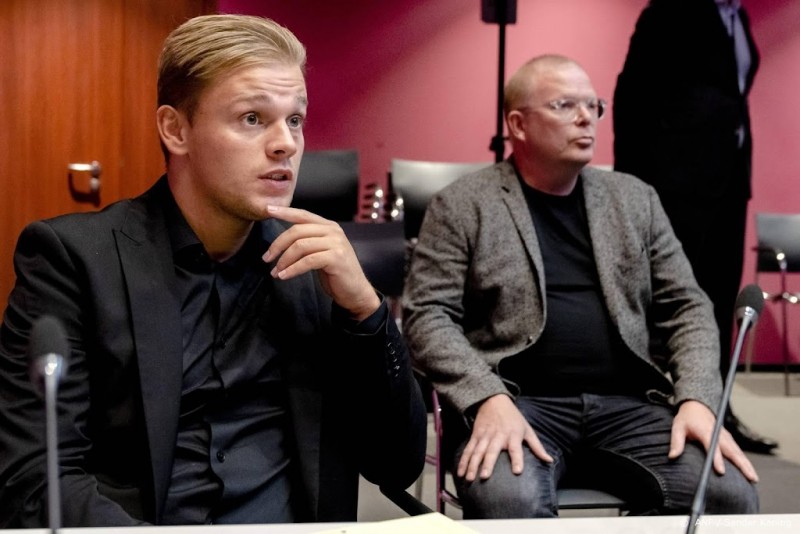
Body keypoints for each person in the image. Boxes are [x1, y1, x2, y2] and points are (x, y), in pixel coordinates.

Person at [0, 14, 426, 527]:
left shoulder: (317, 269)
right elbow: (36, 476)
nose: (286, 143)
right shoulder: (73, 260)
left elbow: (394, 464)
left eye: (295, 119)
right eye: (253, 118)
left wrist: (366, 312)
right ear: (175, 129)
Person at [402, 54, 759, 518]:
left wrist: (696, 399)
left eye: (594, 105)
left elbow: (687, 307)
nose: (586, 117)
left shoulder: (634, 199)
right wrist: (486, 397)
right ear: (518, 124)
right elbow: (427, 315)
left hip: (629, 405)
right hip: (517, 402)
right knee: (511, 501)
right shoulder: (463, 204)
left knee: (729, 494)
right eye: (564, 105)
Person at [613, 0, 777, 454]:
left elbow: (732, 96)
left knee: (720, 298)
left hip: (730, 185)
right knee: (665, 300)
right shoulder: (671, 12)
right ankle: (647, 411)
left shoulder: (738, 17)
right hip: (675, 183)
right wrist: (632, 187)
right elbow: (632, 96)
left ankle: (717, 408)